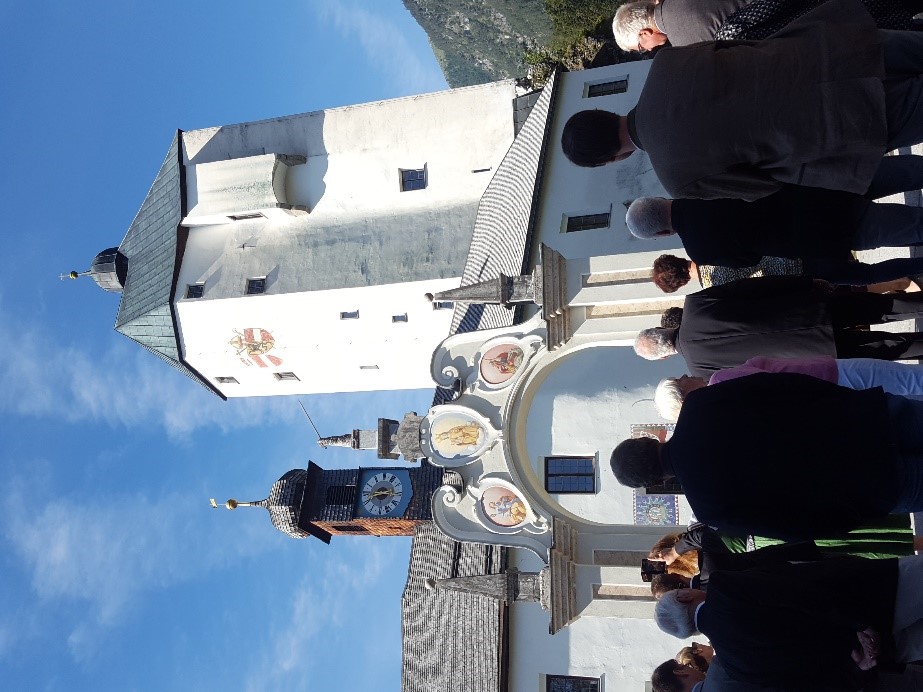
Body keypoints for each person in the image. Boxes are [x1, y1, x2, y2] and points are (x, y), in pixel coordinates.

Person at [563, 0, 923, 200]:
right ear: (602, 111)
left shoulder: (679, 179)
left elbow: (765, 185)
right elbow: (746, 46)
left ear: (609, 160)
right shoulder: (668, 63)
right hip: (830, 47)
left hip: (841, 123)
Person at [610, 372, 923, 539]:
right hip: (860, 419)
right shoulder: (698, 407)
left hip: (871, 484)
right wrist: (843, 401)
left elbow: (793, 526)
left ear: (655, 481)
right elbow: (780, 383)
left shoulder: (709, 508)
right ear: (648, 439)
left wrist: (854, 513)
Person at [654, 554, 923, 689]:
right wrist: (858, 621)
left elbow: (802, 680)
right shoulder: (723, 589)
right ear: (685, 596)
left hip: (865, 651)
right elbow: (797, 592)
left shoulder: (736, 667)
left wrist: (858, 669)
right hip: (866, 595)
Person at [633, 275, 923, 378]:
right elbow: (753, 288)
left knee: (890, 348)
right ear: (660, 329)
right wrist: (805, 283)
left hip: (813, 354)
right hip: (804, 309)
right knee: (883, 307)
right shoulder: (695, 304)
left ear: (664, 356)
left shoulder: (702, 372)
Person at [626, 192, 923, 284]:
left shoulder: (701, 250)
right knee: (899, 220)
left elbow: (748, 260)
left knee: (884, 234)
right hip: (806, 196)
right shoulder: (693, 188)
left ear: (661, 234)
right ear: (657, 198)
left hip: (805, 242)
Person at [654, 356, 923, 420]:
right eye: (679, 380)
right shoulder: (718, 382)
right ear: (684, 394)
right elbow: (771, 380)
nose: (684, 375)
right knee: (906, 379)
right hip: (828, 377)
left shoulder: (719, 411)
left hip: (828, 401)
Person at [613, 0, 922, 53]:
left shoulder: (688, 46)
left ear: (645, 33)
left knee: (901, 30)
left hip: (812, 21)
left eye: (640, 47)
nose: (647, 51)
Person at [651, 253, 918, 292]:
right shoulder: (708, 249)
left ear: (681, 284)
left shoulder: (714, 289)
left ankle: (915, 267)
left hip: (799, 275)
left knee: (866, 274)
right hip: (794, 247)